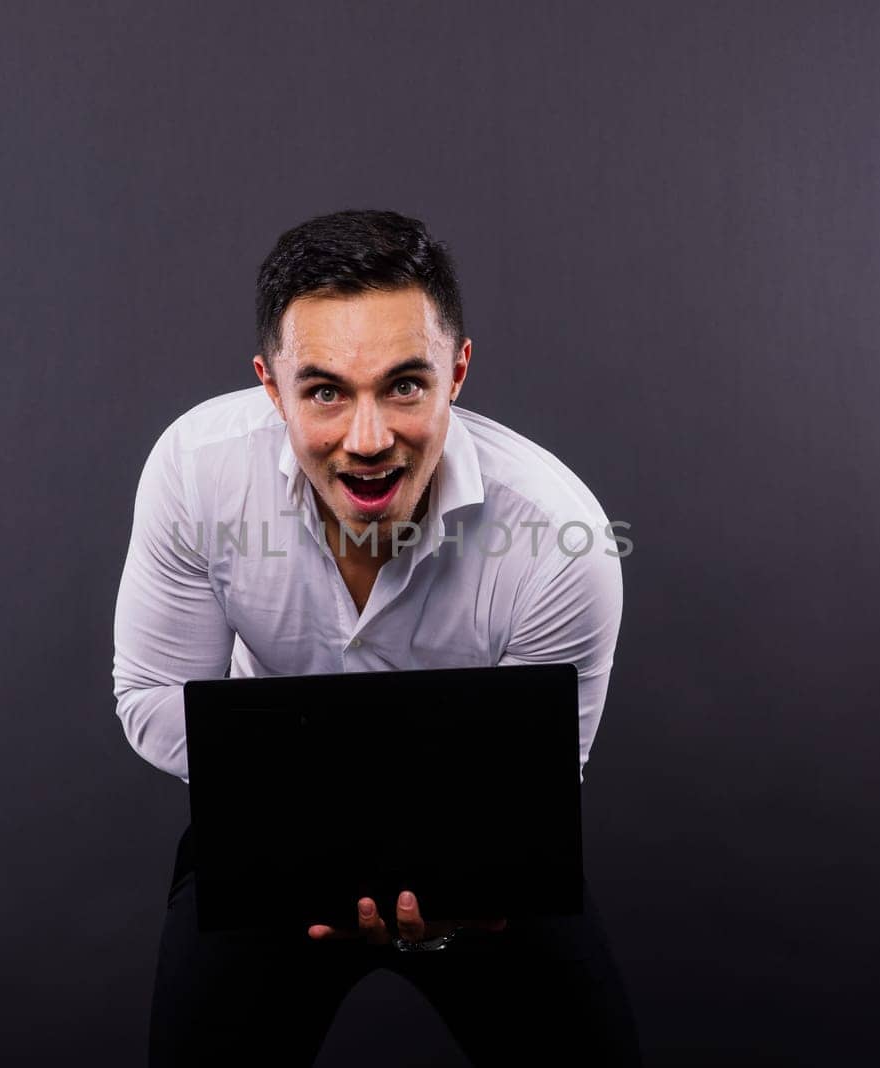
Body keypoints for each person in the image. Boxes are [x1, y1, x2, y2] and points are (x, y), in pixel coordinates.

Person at [112, 209, 641, 1065]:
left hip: (479, 855)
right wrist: (328, 812)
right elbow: (148, 700)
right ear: (271, 387)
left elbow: (540, 782)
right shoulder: (194, 471)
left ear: (457, 372)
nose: (368, 441)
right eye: (324, 391)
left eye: (404, 385)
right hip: (266, 831)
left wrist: (433, 862)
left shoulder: (560, 537)